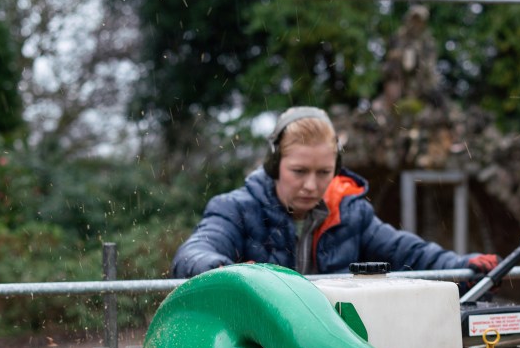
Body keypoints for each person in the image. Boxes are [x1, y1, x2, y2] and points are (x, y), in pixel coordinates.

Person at [171, 106, 499, 281]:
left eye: (324, 172)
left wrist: (460, 266)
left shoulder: (351, 213)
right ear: (274, 163)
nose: (311, 185)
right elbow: (193, 254)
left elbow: (408, 252)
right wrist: (222, 271)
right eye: (299, 172)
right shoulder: (234, 209)